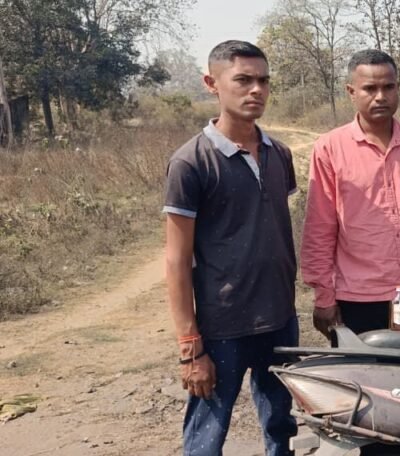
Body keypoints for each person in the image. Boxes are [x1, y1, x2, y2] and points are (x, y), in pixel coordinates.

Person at [163, 40, 298, 456]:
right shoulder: (191, 162)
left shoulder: (279, 154)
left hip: (279, 319)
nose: (256, 90)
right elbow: (176, 261)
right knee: (207, 437)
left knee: (281, 427)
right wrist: (191, 348)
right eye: (243, 80)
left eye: (263, 81)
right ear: (212, 84)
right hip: (223, 326)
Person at [301, 49, 400, 339]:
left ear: (398, 89)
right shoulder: (330, 148)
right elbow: (319, 228)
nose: (380, 97)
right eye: (370, 88)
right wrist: (324, 296)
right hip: (356, 296)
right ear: (351, 92)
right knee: (360, 370)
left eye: (388, 87)